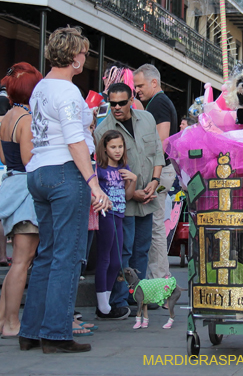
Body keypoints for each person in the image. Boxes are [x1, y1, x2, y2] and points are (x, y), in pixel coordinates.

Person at [19, 27, 108, 354]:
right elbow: (74, 139)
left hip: (40, 170)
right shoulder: (68, 92)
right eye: (83, 52)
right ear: (74, 57)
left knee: (47, 253)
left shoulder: (41, 88)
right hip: (65, 173)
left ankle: (30, 329)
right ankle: (56, 333)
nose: (86, 57)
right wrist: (93, 182)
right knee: (68, 256)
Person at [95, 82, 164, 319]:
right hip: (122, 201)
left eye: (121, 103)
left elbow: (157, 152)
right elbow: (102, 170)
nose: (116, 107)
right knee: (122, 252)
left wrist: (155, 181)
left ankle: (138, 296)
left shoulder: (146, 118)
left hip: (148, 195)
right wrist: (132, 192)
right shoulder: (102, 129)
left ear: (131, 99)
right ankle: (118, 299)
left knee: (142, 250)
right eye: (112, 103)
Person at [0, 63, 42, 339]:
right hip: (25, 193)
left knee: (17, 262)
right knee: (23, 261)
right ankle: (11, 324)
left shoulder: (8, 116)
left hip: (10, 185)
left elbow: (3, 158)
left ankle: (1, 320)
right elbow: (29, 161)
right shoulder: (27, 120)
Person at [133, 64, 176, 282]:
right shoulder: (158, 102)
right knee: (155, 225)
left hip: (159, 172)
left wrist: (153, 174)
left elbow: (162, 140)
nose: (136, 90)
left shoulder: (158, 103)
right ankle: (159, 276)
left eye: (140, 85)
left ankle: (159, 278)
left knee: (155, 226)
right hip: (161, 171)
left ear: (154, 82)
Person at [93, 130, 137, 319]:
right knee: (104, 258)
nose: (117, 151)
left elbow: (127, 196)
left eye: (120, 147)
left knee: (117, 260)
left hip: (119, 215)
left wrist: (132, 180)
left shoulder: (123, 167)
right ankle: (102, 305)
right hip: (105, 214)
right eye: (113, 147)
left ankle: (106, 301)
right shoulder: (100, 169)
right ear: (105, 148)